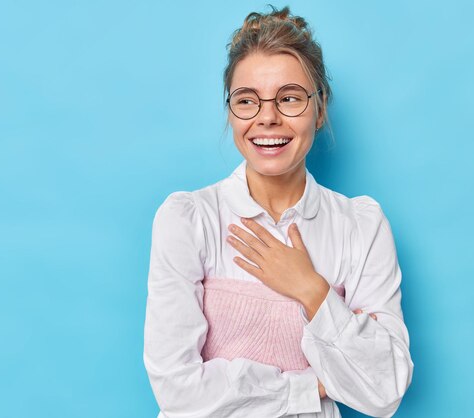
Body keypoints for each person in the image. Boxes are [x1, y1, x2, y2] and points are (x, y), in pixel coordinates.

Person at [143, 5, 414, 418]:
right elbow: (177, 390)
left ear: (319, 109)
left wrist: (312, 290)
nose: (267, 118)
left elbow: (386, 389)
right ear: (230, 112)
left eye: (289, 98)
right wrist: (313, 386)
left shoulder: (361, 226)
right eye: (247, 101)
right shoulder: (188, 219)